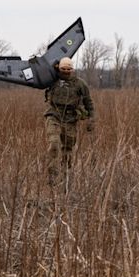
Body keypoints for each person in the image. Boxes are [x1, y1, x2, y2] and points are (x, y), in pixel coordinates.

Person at [44, 57, 95, 186]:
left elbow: (88, 102)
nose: (66, 72)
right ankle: (52, 176)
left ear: (72, 70)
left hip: (71, 119)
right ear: (58, 69)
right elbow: (38, 77)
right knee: (54, 143)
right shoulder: (51, 80)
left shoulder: (80, 84)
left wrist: (91, 119)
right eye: (63, 69)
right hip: (54, 115)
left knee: (68, 149)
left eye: (68, 69)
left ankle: (66, 176)